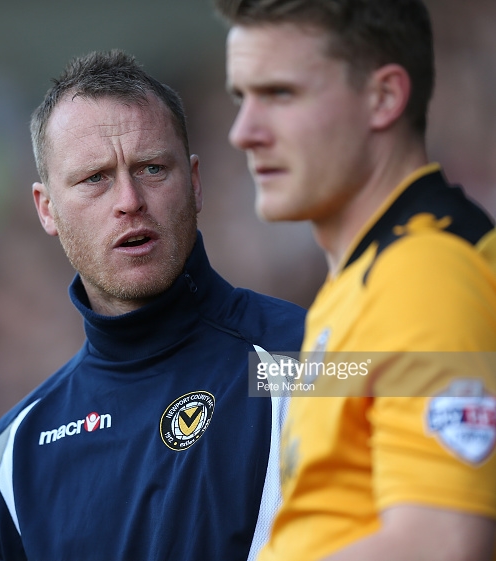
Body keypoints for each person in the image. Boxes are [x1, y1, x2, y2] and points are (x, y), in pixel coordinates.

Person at [0, 49, 306, 561]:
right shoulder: (11, 459)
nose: (128, 199)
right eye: (95, 178)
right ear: (47, 208)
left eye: (151, 168)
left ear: (193, 183)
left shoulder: (310, 359)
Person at [214, 0, 496, 560]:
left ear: (384, 97)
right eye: (241, 98)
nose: (243, 132)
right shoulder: (361, 282)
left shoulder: (425, 273)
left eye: (280, 94)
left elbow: (442, 542)